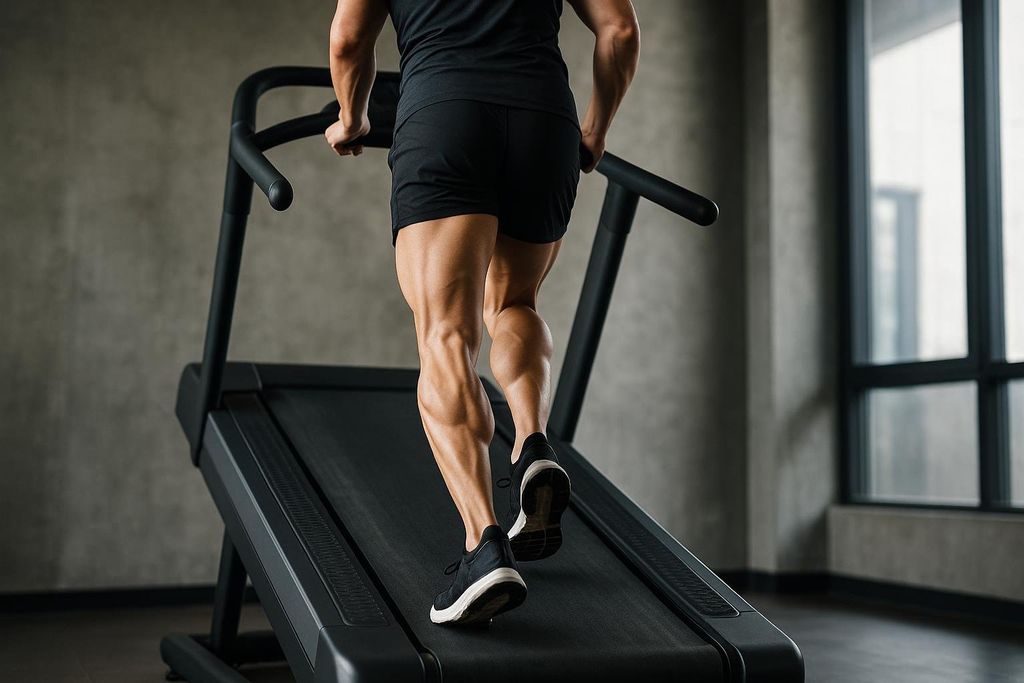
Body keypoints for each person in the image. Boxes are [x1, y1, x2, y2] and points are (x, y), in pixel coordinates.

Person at [324, 0, 640, 626]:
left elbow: (348, 40)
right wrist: (596, 128)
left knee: (445, 334)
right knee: (516, 302)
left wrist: (352, 117)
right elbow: (619, 29)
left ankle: (482, 547)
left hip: (445, 115)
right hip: (543, 121)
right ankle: (530, 443)